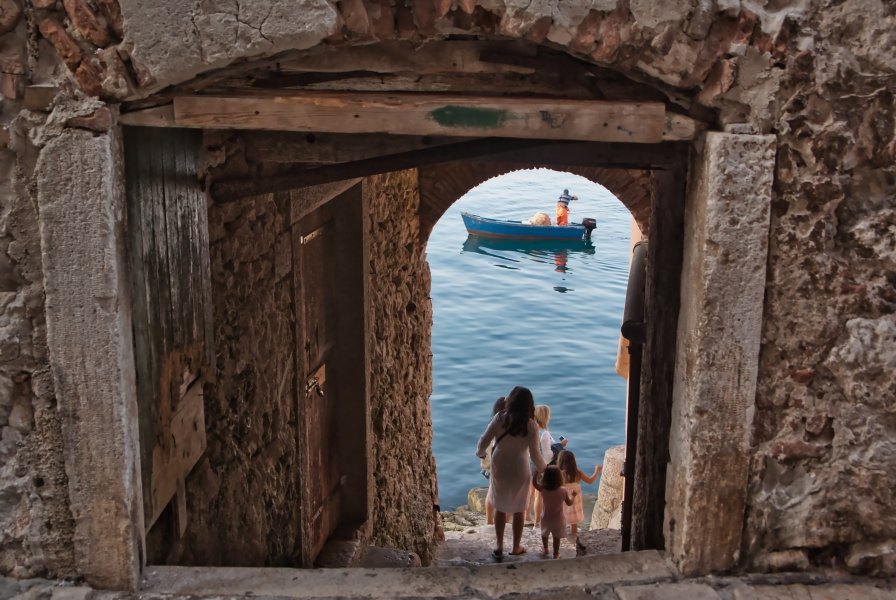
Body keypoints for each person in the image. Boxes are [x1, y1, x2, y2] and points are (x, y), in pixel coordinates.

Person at [476, 386, 547, 559]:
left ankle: (499, 546)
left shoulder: (499, 418)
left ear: (511, 401)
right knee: (520, 508)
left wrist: (480, 453)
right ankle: (516, 547)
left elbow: (484, 440)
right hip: (519, 466)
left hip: (500, 464)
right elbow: (535, 453)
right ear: (529, 405)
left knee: (499, 506)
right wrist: (546, 470)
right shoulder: (531, 425)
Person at [530, 405, 568, 526]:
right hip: (542, 467)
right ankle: (538, 522)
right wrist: (560, 445)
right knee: (539, 496)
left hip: (532, 464)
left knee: (532, 492)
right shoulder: (544, 434)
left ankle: (529, 516)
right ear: (545, 417)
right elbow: (547, 456)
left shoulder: (533, 430)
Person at [557, 449, 601, 540]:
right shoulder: (578, 473)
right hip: (575, 502)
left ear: (560, 461)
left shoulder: (559, 474)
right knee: (574, 521)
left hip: (563, 501)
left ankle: (561, 537)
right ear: (573, 461)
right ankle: (574, 537)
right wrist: (597, 471)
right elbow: (590, 481)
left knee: (562, 518)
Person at [532, 465, 575, 559]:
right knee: (556, 537)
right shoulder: (563, 491)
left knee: (544, 534)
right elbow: (569, 503)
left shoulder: (543, 489)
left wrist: (535, 473)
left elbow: (534, 484)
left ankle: (545, 548)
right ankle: (556, 554)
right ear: (559, 478)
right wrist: (573, 496)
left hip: (546, 517)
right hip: (558, 519)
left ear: (545, 477)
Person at [480, 396, 506, 525]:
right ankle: (505, 523)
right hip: (503, 463)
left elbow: (483, 443)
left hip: (493, 463)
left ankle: (489, 522)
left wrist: (481, 454)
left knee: (492, 491)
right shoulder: (507, 423)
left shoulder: (492, 422)